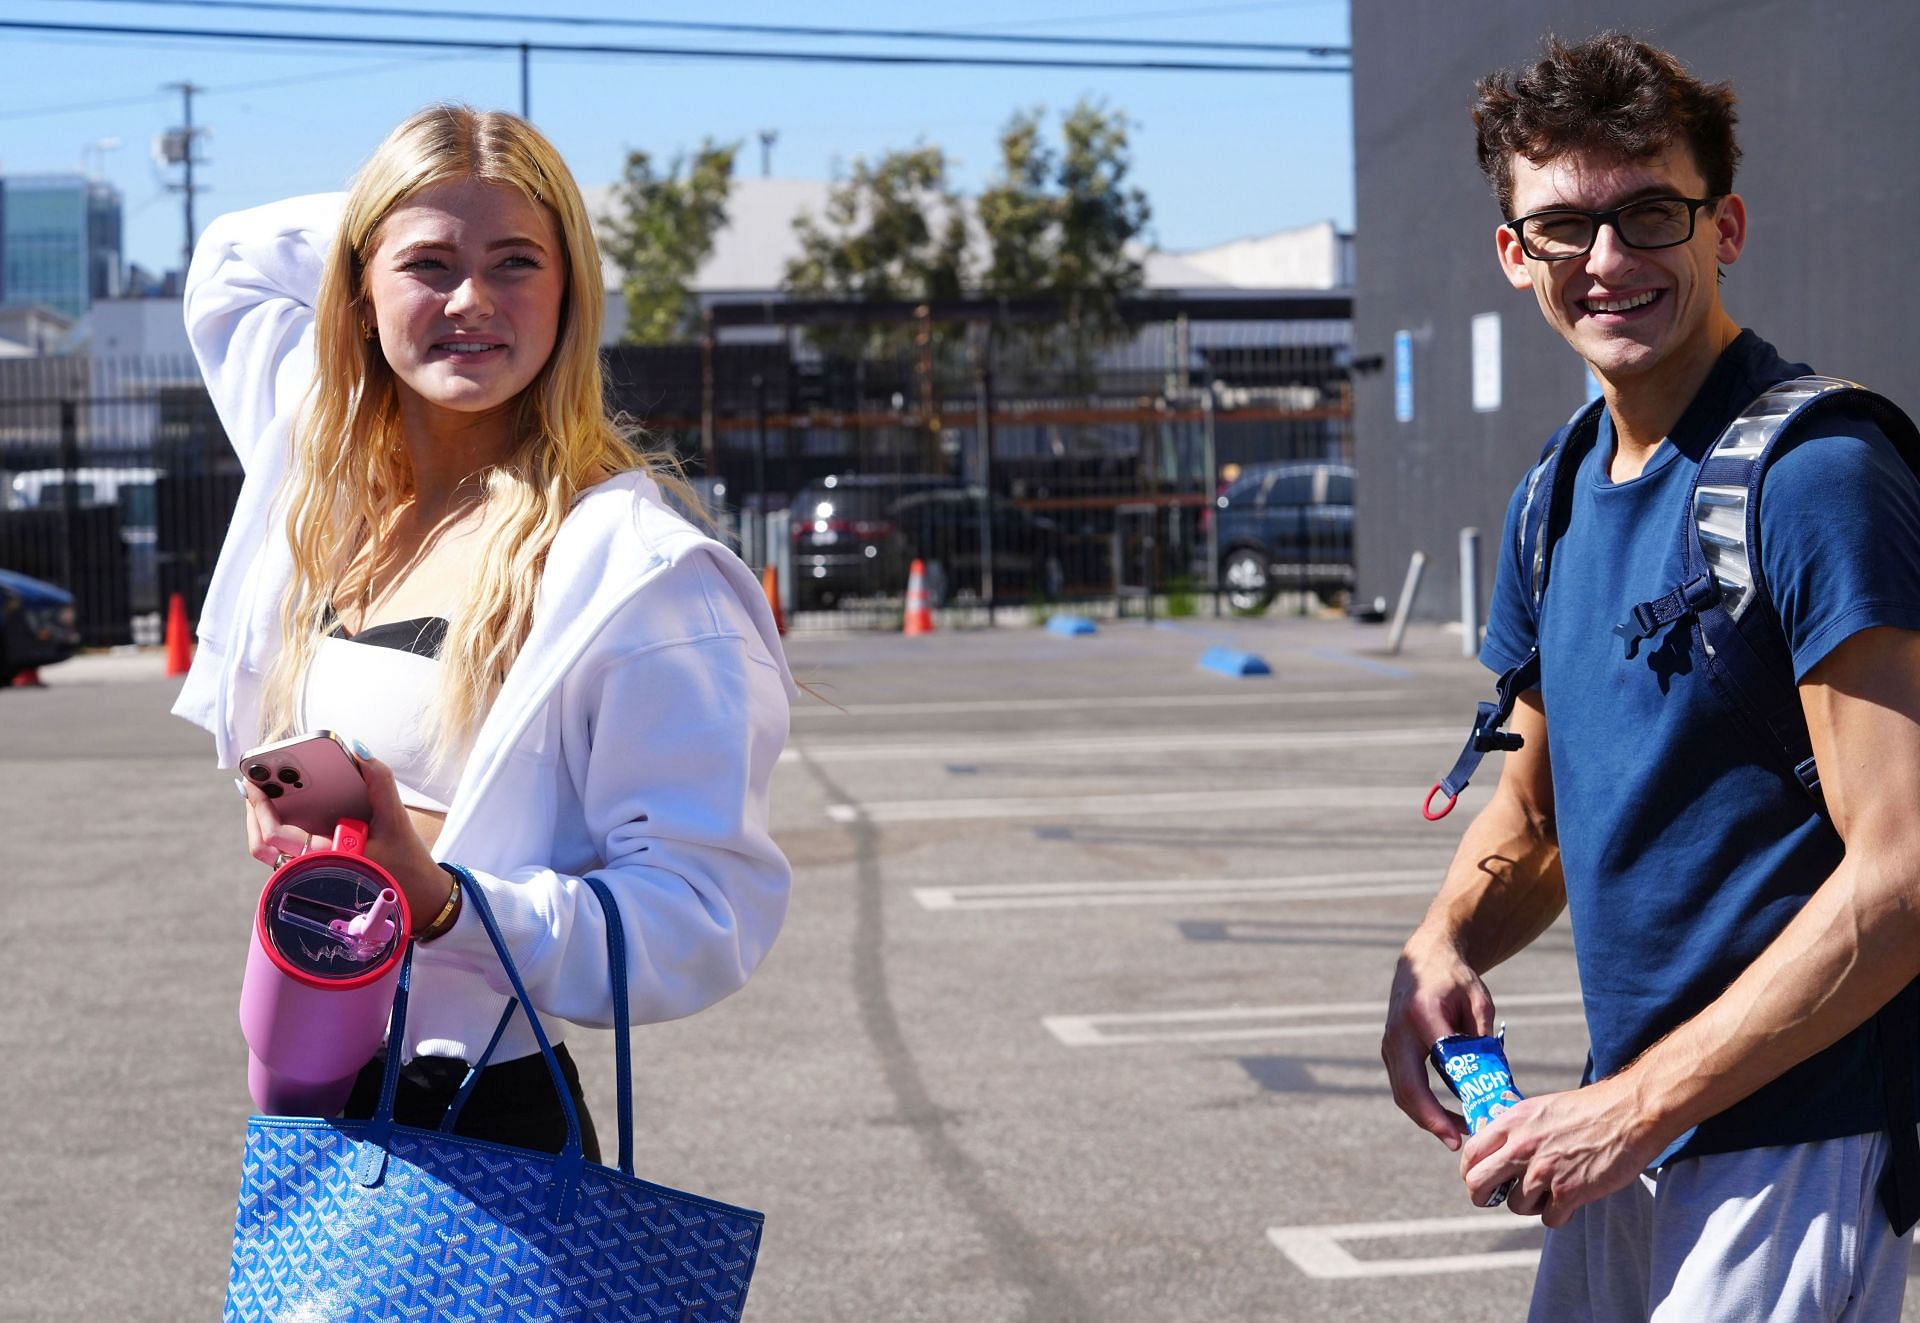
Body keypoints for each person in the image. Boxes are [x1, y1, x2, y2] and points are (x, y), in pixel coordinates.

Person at [1380, 33, 1920, 1320]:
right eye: (1564, 227)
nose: (1609, 261)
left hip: (1793, 1148)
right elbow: (1536, 817)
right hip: (1626, 1136)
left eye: (1648, 215)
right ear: (1516, 255)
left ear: (1722, 225)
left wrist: (1632, 1109)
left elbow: (1902, 874)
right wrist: (1443, 938)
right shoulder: (1553, 499)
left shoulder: (1817, 479)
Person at [177, 104, 794, 1157]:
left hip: (482, 1122)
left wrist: (448, 899)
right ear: (358, 293)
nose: (472, 300)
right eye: (429, 266)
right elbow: (231, 261)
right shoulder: (327, 484)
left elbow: (703, 913)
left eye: (517, 262)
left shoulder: (631, 568)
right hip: (312, 1088)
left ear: (570, 294)